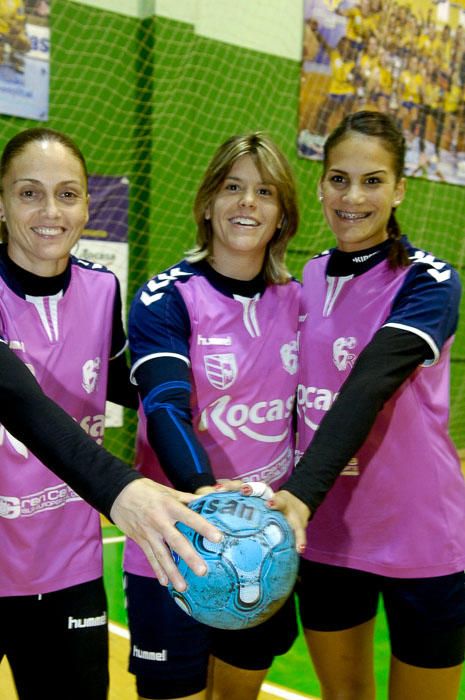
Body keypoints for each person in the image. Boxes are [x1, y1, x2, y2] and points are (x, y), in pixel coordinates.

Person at [0, 126, 219, 700]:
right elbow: (20, 402)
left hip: (68, 566)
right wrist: (124, 489)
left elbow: (131, 383)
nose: (51, 211)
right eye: (29, 193)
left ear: (87, 205)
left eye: (67, 194)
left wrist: (208, 458)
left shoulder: (102, 289)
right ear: (1, 202)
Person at [270, 110, 465, 700]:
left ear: (400, 188)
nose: (353, 196)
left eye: (373, 180)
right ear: (322, 182)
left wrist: (299, 492)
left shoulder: (430, 281)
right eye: (339, 178)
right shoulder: (303, 277)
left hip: (421, 532)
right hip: (328, 532)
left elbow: (370, 382)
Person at [123, 132, 300, 700]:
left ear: (282, 215)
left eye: (264, 192)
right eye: (233, 187)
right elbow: (165, 406)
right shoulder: (168, 297)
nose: (248, 202)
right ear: (207, 203)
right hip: (176, 541)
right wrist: (212, 507)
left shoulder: (298, 302)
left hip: (264, 546)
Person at [0, 338, 221, 591]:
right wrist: (117, 486)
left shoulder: (104, 297)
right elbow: (13, 394)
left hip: (73, 549)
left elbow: (120, 379)